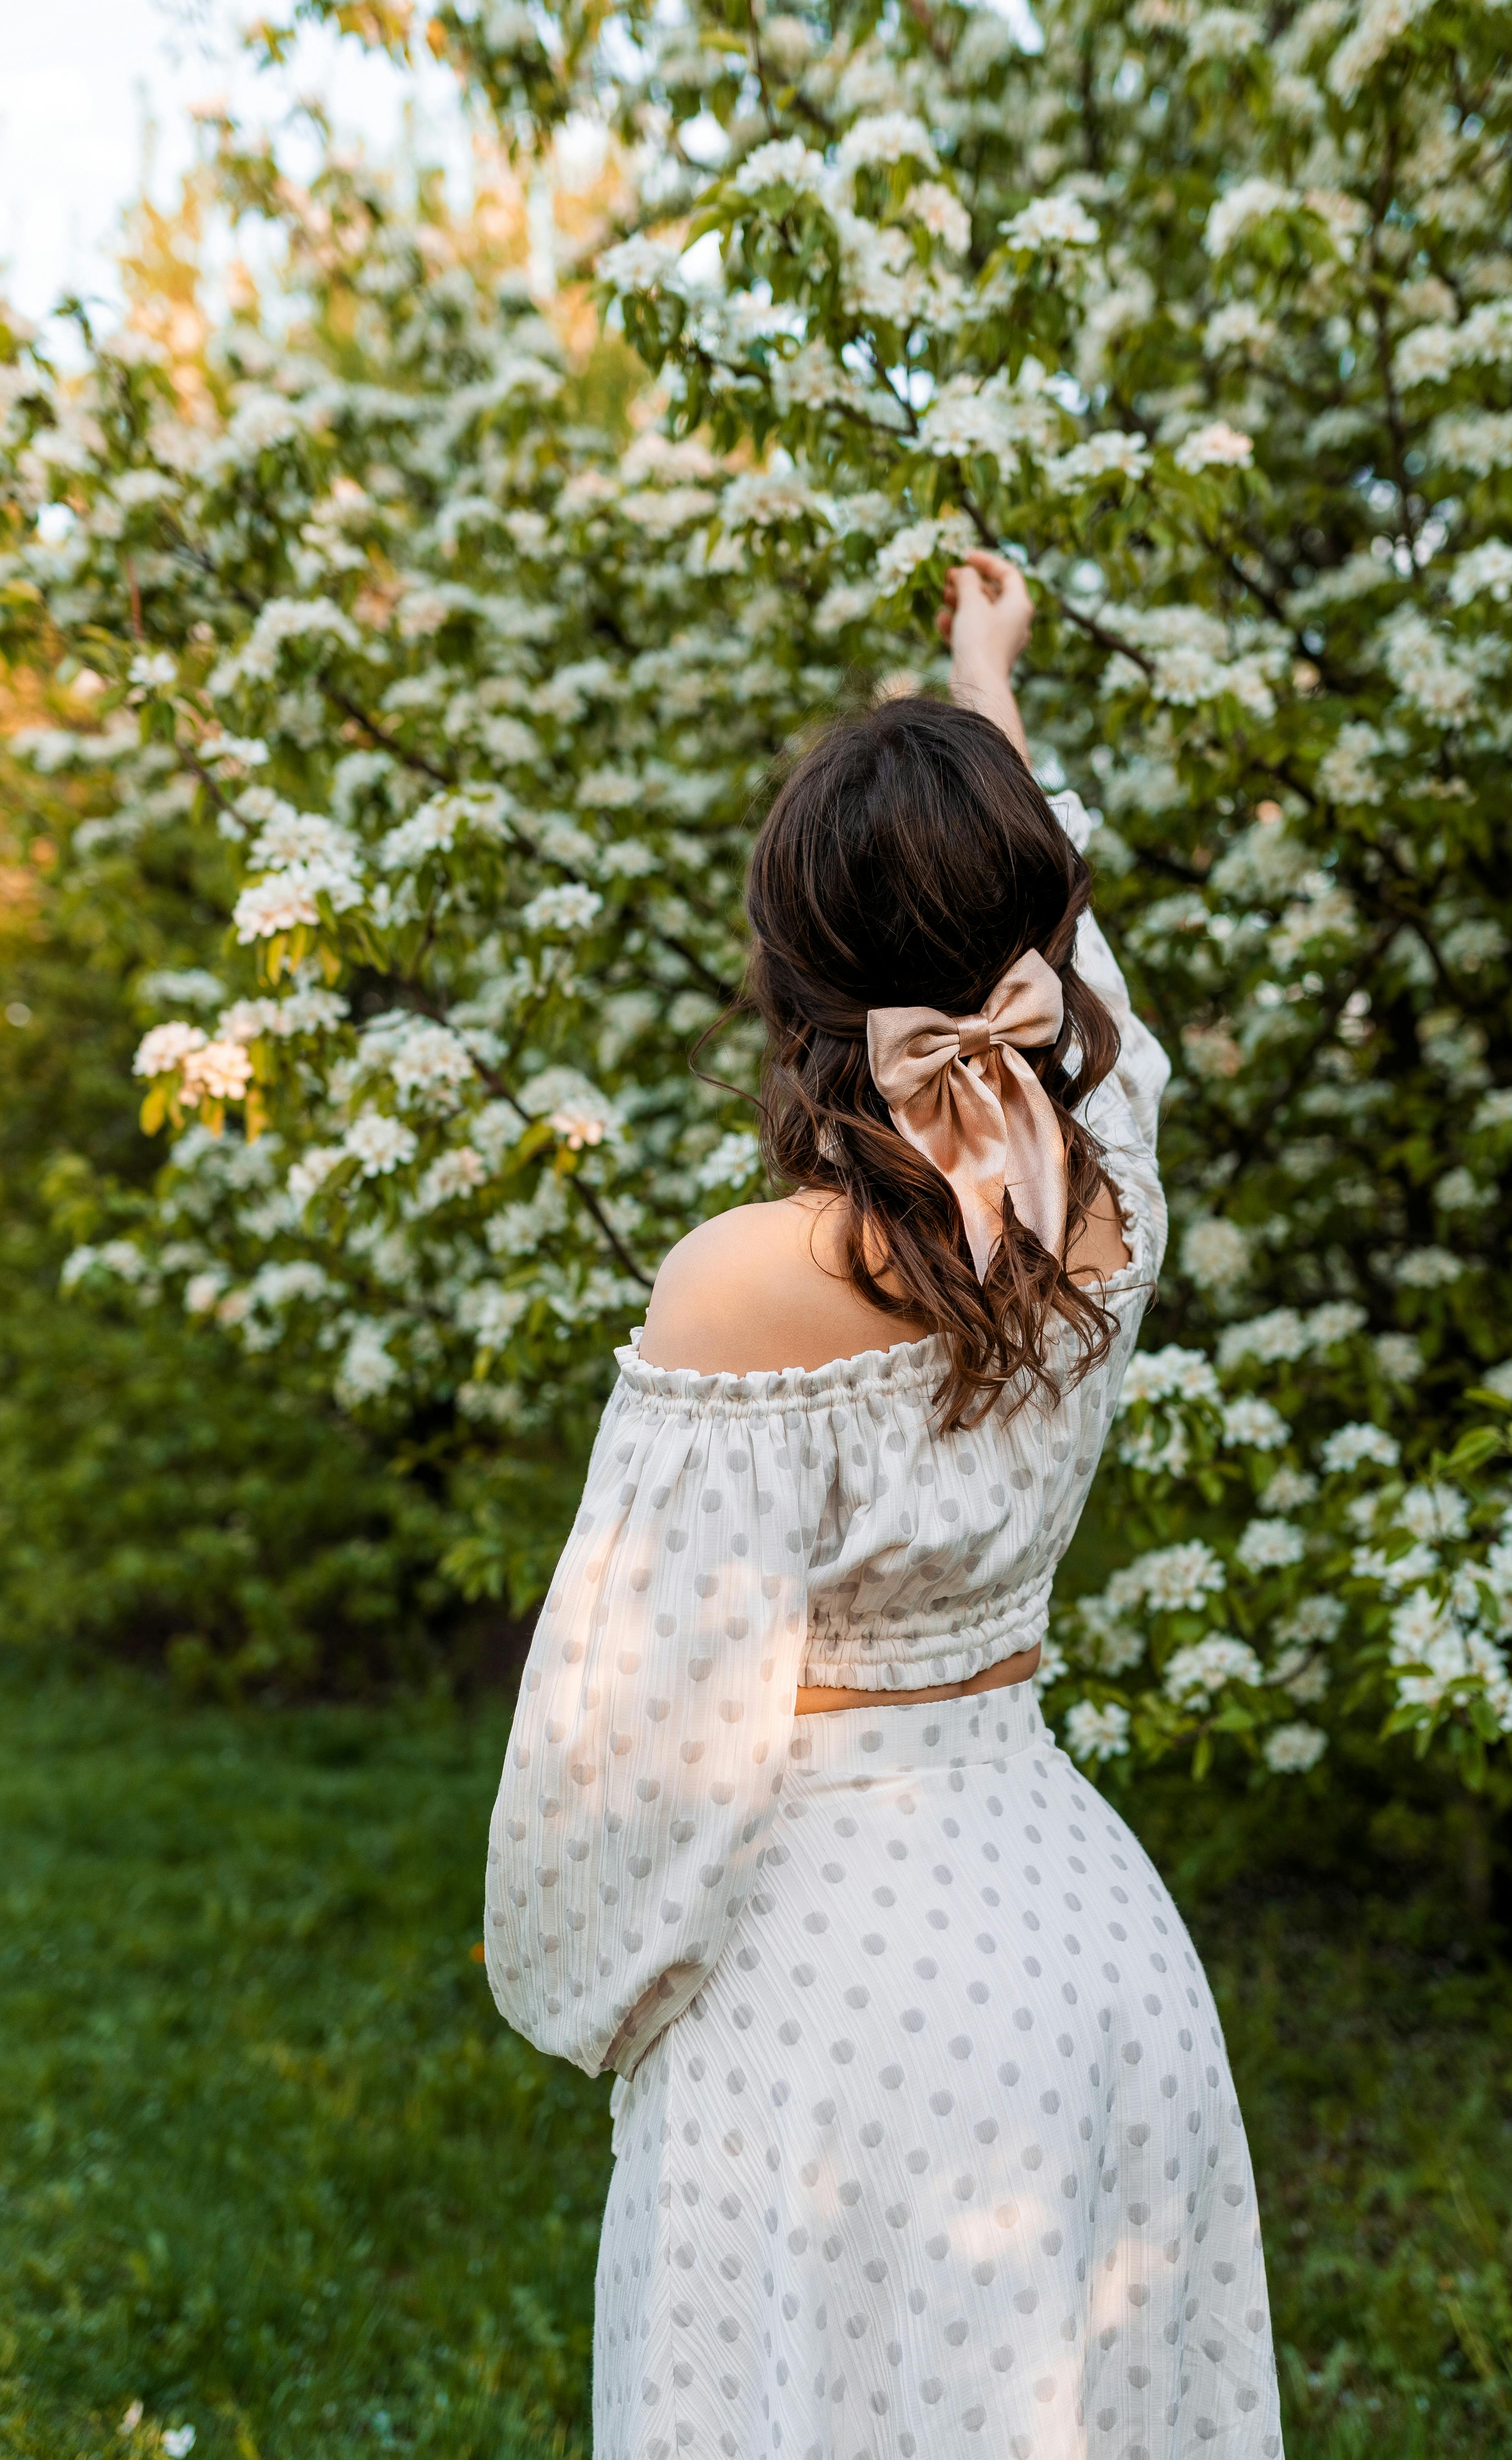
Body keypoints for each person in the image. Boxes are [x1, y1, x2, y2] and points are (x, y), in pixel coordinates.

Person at [484, 551, 1283, 2460]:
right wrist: (984, 679)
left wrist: (604, 1992)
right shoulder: (1114, 1166)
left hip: (840, 1996)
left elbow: (631, 1736)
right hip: (1084, 1941)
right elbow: (1063, 950)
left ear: (801, 993)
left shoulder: (745, 1283)